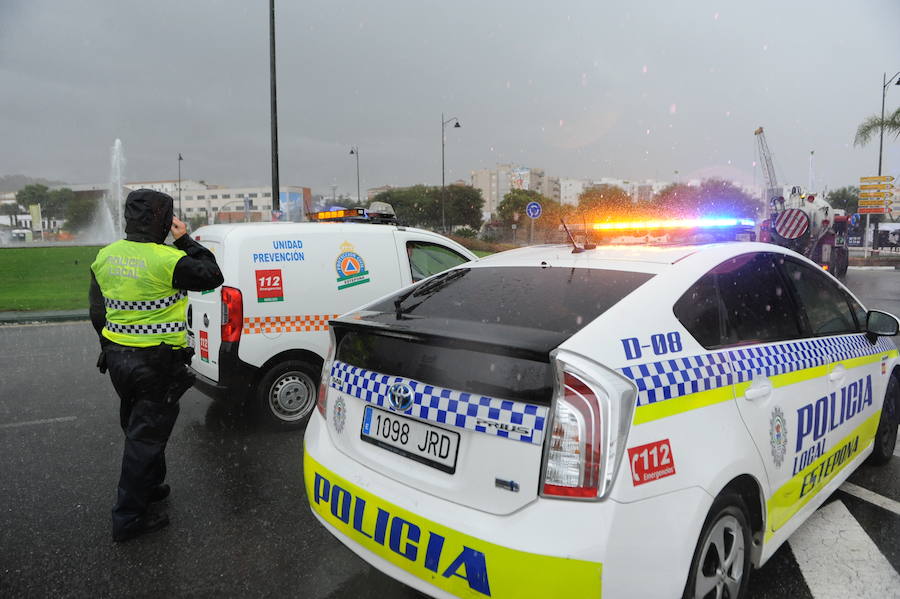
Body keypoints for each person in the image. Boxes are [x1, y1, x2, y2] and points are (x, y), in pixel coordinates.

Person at [89, 189, 223, 542]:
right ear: (164, 220)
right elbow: (212, 274)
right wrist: (186, 240)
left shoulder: (106, 256)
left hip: (119, 361)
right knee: (144, 439)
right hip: (156, 364)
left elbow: (97, 311)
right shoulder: (167, 260)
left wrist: (112, 347)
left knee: (139, 425)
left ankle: (150, 486)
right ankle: (128, 519)